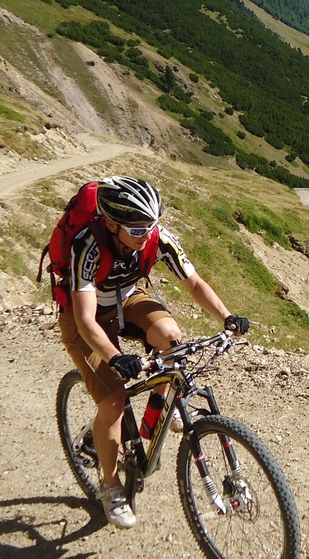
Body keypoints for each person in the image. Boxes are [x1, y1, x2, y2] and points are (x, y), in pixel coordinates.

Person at [57, 175, 249, 529]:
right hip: (86, 318)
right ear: (112, 224)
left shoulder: (156, 237)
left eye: (152, 226)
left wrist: (227, 316)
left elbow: (193, 281)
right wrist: (115, 358)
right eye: (137, 229)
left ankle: (155, 418)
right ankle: (111, 486)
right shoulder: (88, 246)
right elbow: (84, 318)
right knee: (113, 401)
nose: (148, 235)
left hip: (126, 298)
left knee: (171, 338)